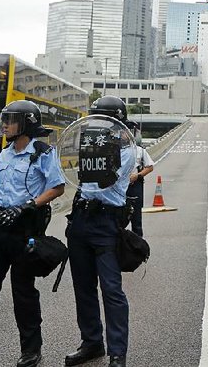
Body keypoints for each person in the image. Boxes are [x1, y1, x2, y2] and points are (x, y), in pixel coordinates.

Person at [0, 100, 65, 367]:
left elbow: (57, 188)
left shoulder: (44, 153)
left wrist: (28, 205)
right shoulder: (5, 153)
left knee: (23, 295)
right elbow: (0, 188)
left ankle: (31, 350)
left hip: (25, 232)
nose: (5, 125)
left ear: (25, 124)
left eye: (10, 120)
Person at [65, 96, 135, 367]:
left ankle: (117, 351)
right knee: (83, 287)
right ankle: (91, 342)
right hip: (81, 217)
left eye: (103, 119)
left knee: (111, 289)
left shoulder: (126, 148)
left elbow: (109, 178)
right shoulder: (87, 145)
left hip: (106, 220)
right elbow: (74, 173)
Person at [123, 121, 154, 237]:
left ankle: (137, 249)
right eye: (124, 132)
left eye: (130, 132)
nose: (126, 135)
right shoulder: (114, 150)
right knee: (116, 222)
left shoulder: (140, 151)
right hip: (118, 189)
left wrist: (138, 175)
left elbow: (150, 167)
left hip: (134, 187)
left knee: (136, 221)